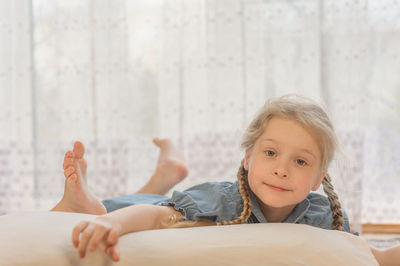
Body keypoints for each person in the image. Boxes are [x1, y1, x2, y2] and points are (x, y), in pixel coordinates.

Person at [51, 94, 399, 265]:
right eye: (270, 153)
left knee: (148, 198)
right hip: (153, 208)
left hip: (169, 203)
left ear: (317, 179)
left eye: (300, 161)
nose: (281, 169)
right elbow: (157, 217)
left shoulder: (323, 217)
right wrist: (110, 222)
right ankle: (90, 201)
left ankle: (166, 172)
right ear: (247, 158)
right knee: (116, 206)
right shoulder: (223, 199)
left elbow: (373, 257)